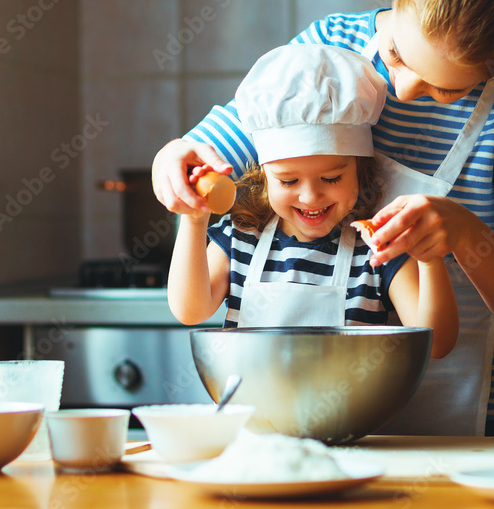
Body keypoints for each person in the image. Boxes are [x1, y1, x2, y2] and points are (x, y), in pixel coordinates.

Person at [152, 0, 494, 437]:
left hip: (465, 420)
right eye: (399, 53)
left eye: (443, 89)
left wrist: (459, 234)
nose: (400, 89)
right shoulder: (330, 45)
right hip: (301, 421)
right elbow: (211, 156)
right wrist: (175, 162)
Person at [167, 44, 459, 360]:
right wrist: (194, 221)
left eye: (331, 178)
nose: (310, 197)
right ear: (264, 177)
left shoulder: (377, 248)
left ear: (360, 171)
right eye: (288, 181)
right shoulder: (240, 237)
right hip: (251, 408)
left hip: (354, 410)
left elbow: (437, 343)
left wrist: (430, 259)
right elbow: (190, 310)